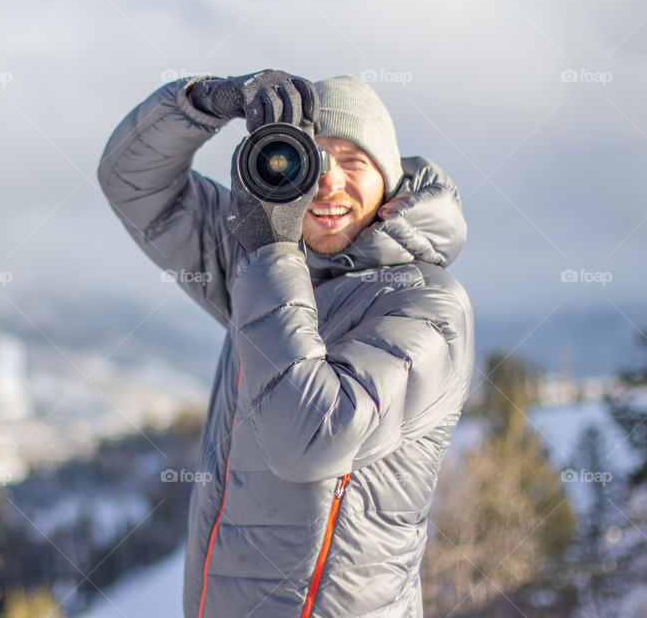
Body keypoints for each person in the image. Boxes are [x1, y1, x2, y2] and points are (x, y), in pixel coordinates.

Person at [96, 69, 475, 617]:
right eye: (311, 157)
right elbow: (132, 182)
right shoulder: (262, 259)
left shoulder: (427, 305)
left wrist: (271, 251)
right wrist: (205, 102)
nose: (328, 181)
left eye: (353, 162)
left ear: (390, 185)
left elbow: (311, 439)